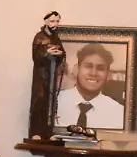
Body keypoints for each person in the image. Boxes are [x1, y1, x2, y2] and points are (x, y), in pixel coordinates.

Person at [54, 44, 125, 129]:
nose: (93, 73)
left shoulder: (119, 113)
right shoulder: (55, 102)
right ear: (76, 69)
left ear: (108, 75)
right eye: (88, 66)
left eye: (100, 68)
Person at [28, 11, 67, 140]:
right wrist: (46, 52)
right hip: (41, 76)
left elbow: (63, 53)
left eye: (57, 21)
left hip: (51, 75)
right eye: (52, 21)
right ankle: (35, 132)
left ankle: (47, 132)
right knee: (39, 101)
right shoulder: (39, 37)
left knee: (49, 103)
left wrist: (59, 54)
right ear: (46, 22)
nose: (55, 24)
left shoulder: (56, 37)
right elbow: (36, 56)